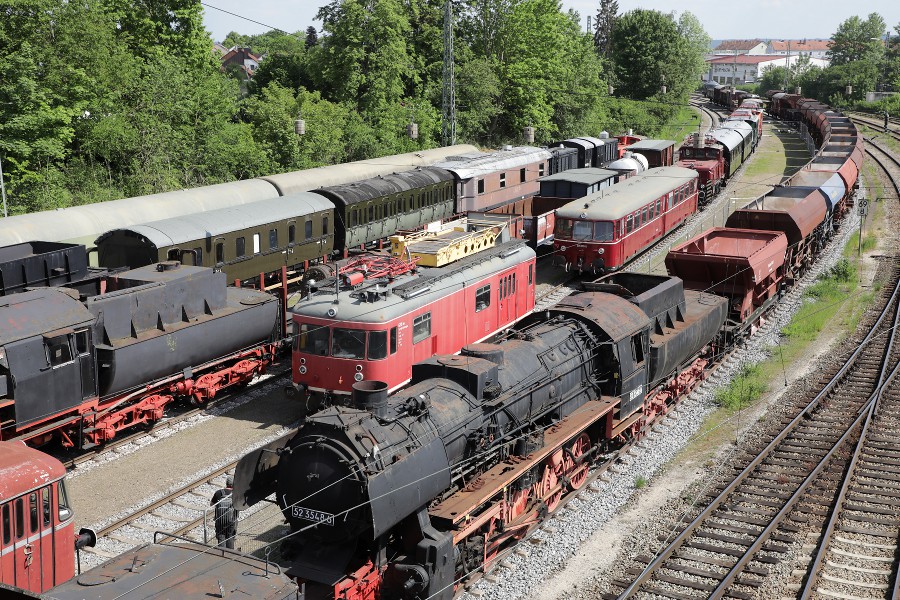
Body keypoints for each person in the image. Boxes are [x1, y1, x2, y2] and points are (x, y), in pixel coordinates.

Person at [211, 476, 237, 549]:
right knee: (230, 536)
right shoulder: (235, 493)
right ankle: (230, 554)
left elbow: (211, 504)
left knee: (221, 536)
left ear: (226, 483)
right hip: (231, 519)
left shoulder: (218, 492)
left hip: (220, 519)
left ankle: (222, 554)